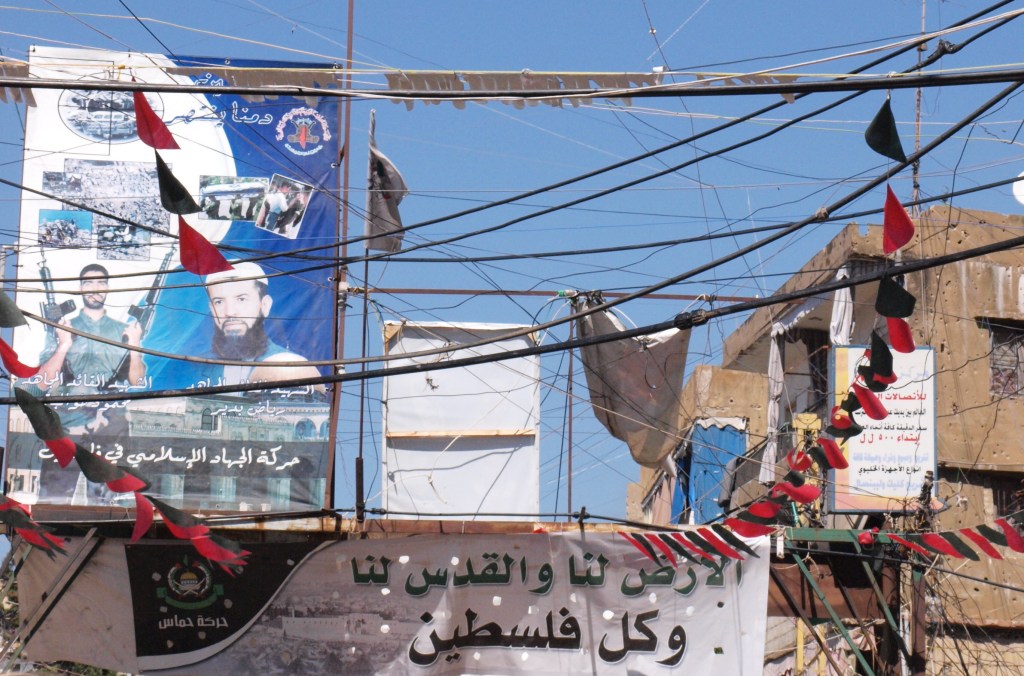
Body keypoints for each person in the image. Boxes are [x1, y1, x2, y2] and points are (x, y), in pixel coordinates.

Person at [34, 263, 146, 503]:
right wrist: (63, 344)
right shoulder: (63, 327)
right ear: (81, 288)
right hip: (66, 425)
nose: (95, 288)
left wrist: (135, 347)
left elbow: (137, 381)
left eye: (100, 282)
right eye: (88, 283)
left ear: (107, 288)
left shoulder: (122, 330)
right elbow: (45, 378)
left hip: (110, 428)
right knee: (52, 502)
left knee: (109, 505)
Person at [201, 261, 322, 387]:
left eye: (241, 299)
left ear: (264, 306)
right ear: (212, 308)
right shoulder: (194, 365)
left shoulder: (292, 367)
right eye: (219, 302)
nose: (230, 312)